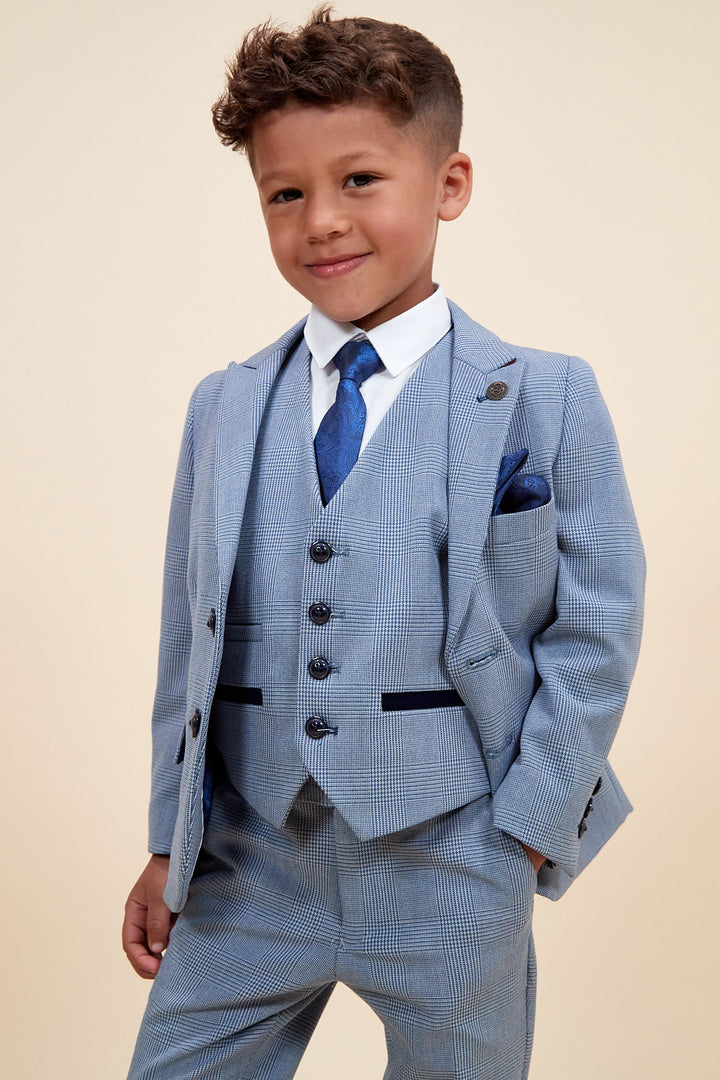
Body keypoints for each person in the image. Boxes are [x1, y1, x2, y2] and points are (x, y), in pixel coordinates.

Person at [122, 8, 645, 1079]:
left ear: (449, 184)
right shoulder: (223, 406)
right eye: (284, 194)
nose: (321, 220)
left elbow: (598, 627)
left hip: (455, 853)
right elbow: (189, 635)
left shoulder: (545, 395)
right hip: (247, 862)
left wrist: (526, 831)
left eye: (359, 180)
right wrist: (172, 840)